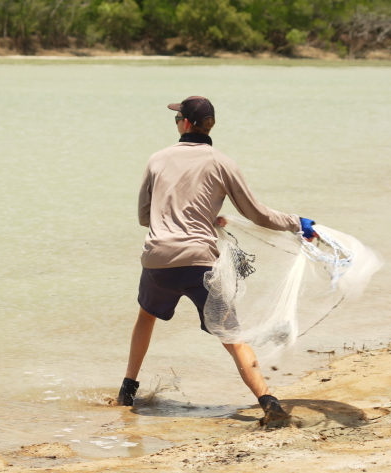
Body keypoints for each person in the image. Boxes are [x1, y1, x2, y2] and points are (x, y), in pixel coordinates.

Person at [117, 96, 317, 425]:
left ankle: (127, 391)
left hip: (158, 261)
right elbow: (257, 214)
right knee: (232, 337)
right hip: (201, 261)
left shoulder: (157, 160)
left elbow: (144, 217)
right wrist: (297, 222)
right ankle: (268, 402)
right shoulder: (223, 163)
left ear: (184, 124)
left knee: (146, 317)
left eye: (176, 117)